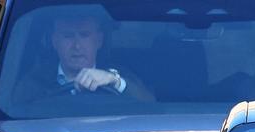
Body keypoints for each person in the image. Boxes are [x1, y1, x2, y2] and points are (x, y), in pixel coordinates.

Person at [14, 14, 153, 103]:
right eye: (68, 36)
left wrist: (115, 81)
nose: (77, 46)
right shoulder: (34, 81)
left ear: (98, 41)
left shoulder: (119, 74)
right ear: (55, 42)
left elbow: (150, 105)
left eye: (84, 35)